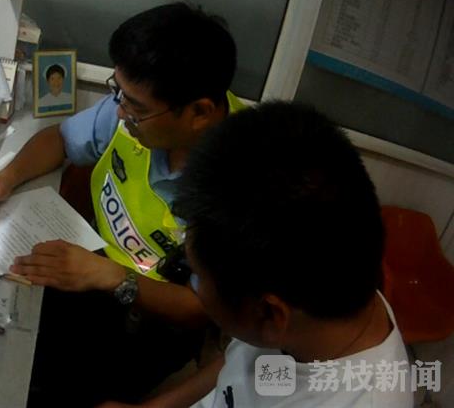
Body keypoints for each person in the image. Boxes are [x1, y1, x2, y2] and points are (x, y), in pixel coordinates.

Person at [0, 2, 246, 406]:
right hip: (90, 265)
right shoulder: (134, 109)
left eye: (136, 108)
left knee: (43, 385)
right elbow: (60, 140)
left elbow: (202, 310)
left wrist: (112, 277)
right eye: (118, 93)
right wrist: (4, 179)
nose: (120, 112)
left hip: (152, 318)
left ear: (199, 112)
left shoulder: (243, 184)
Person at [98, 102, 413, 408]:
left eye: (195, 277)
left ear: (270, 316)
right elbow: (242, 366)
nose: (192, 284)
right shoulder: (333, 287)